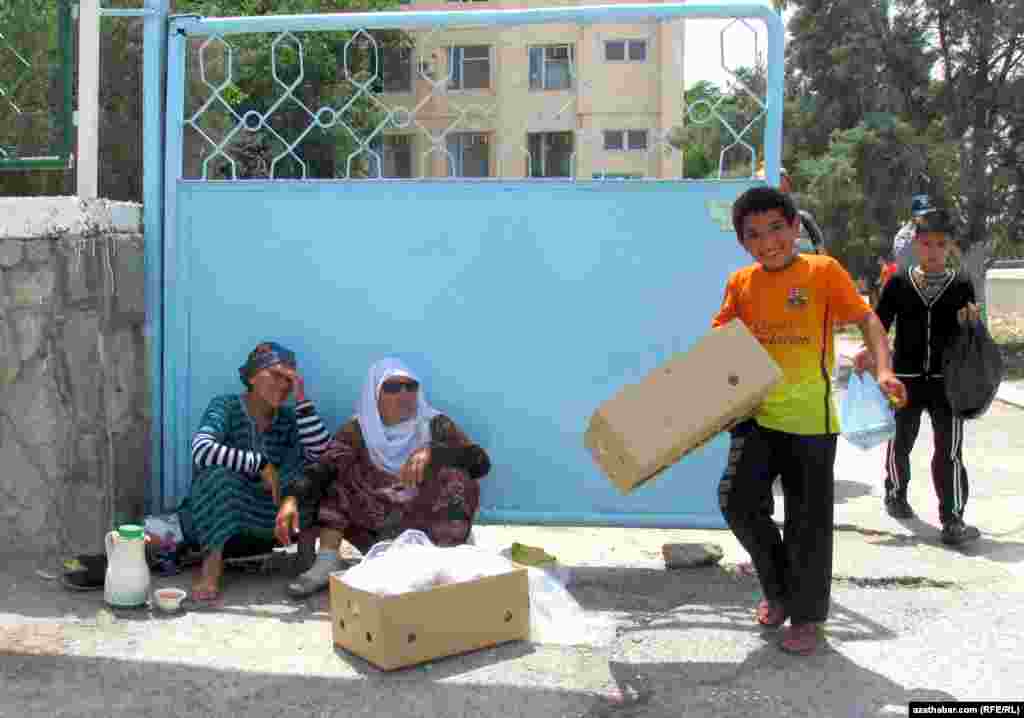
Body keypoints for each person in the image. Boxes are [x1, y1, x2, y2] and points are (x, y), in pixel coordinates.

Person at [714, 186, 905, 655]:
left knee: (808, 525)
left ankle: (807, 617)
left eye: (776, 228)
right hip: (756, 417)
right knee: (737, 501)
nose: (767, 242)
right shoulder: (740, 282)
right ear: (742, 242)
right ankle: (779, 588)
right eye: (754, 234)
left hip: (811, 423)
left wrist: (883, 369)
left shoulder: (822, 271)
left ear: (795, 227)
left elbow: (868, 320)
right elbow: (721, 339)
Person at [278, 357, 491, 598]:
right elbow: (324, 466)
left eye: (410, 386)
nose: (404, 394)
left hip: (432, 530)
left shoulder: (434, 424)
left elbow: (480, 462)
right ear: (375, 395)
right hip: (379, 531)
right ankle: (327, 562)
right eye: (392, 387)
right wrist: (292, 498)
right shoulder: (358, 430)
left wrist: (434, 452)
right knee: (340, 474)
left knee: (456, 476)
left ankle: (451, 557)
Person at [854, 205, 981, 546]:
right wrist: (869, 351)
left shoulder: (961, 284)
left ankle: (952, 518)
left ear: (950, 246)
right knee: (900, 441)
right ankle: (895, 492)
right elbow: (879, 322)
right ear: (916, 245)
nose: (933, 251)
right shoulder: (898, 282)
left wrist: (971, 323)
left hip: (948, 383)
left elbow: (970, 332)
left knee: (949, 451)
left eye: (940, 244)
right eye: (926, 244)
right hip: (905, 380)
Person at [184, 342, 331, 603]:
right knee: (218, 476)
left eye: (289, 379)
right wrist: (259, 464)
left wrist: (301, 399)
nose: (283, 385)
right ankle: (211, 568)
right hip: (226, 512)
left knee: (318, 475)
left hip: (272, 516)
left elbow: (322, 454)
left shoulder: (288, 419)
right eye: (275, 374)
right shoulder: (226, 406)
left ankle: (306, 561)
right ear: (252, 377)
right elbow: (201, 450)